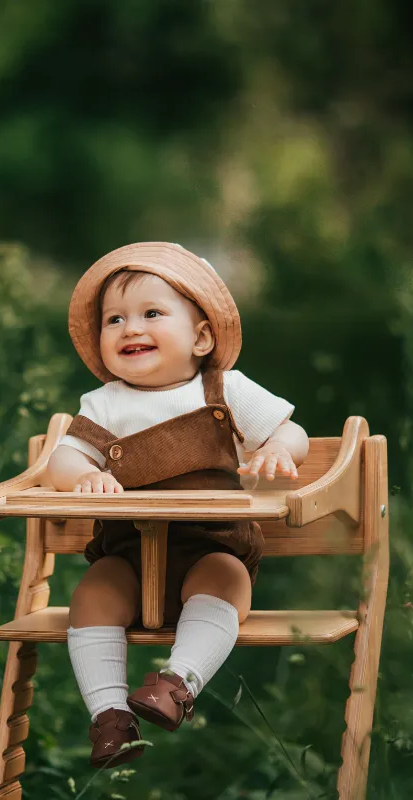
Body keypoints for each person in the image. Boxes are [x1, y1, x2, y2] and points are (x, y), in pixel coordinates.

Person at [45, 242, 309, 768]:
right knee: (93, 593)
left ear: (201, 336)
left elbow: (291, 430)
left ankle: (176, 684)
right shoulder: (105, 403)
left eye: (151, 313)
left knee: (228, 581)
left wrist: (278, 448)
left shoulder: (223, 389)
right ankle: (110, 717)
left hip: (210, 543)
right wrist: (87, 477)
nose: (130, 328)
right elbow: (61, 462)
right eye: (114, 319)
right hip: (128, 553)